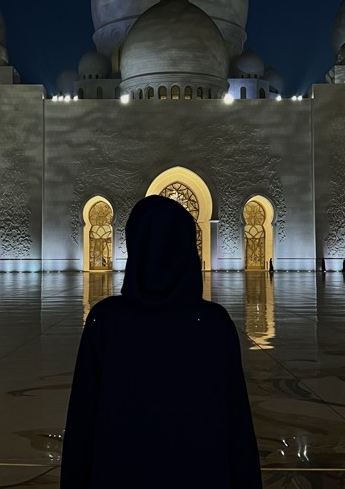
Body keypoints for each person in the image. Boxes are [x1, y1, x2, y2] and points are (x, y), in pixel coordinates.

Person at [61, 195, 262, 488]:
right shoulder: (214, 325)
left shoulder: (105, 322)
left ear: (136, 246)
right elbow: (238, 434)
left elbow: (82, 428)